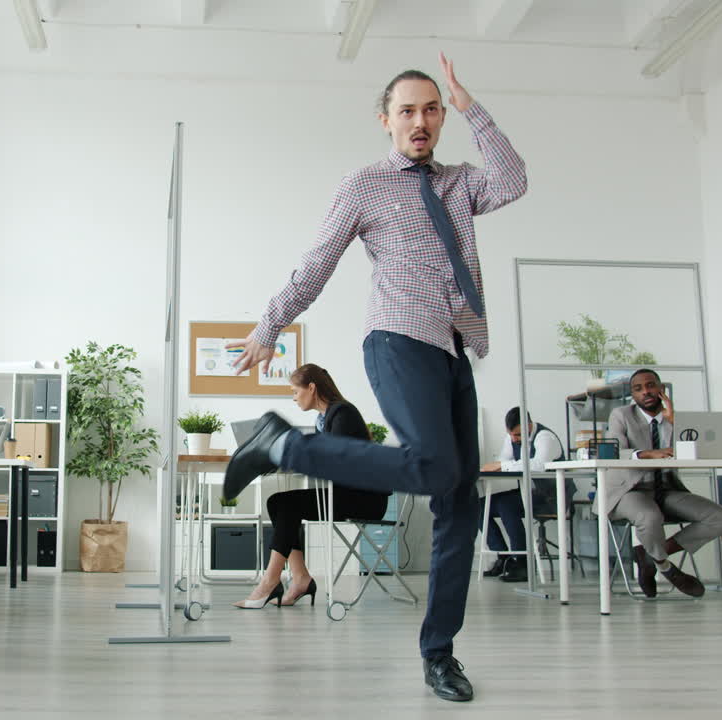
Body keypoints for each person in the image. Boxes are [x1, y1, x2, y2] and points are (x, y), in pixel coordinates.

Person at [221, 53, 527, 703]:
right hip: (398, 339)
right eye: (407, 111)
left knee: (459, 502)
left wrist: (473, 107)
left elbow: (514, 179)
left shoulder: (461, 183)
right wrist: (269, 325)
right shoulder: (364, 184)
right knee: (435, 467)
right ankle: (285, 445)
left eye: (432, 109)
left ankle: (439, 654)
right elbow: (317, 263)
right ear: (385, 120)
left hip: (455, 349)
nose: (421, 121)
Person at [232, 364, 390, 609]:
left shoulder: (343, 413)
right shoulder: (324, 419)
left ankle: (270, 582)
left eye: (296, 391)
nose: (294, 398)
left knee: (287, 504)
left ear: (312, 388)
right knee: (278, 502)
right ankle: (300, 579)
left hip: (365, 498)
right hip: (346, 493)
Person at [604, 369, 722, 598]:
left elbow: (697, 452)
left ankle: (648, 554)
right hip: (630, 490)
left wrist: (674, 422)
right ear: (632, 395)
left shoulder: (674, 418)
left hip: (666, 489)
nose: (646, 392)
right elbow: (614, 451)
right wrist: (647, 454)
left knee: (720, 517)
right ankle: (665, 567)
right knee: (649, 517)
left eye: (650, 385)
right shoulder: (621, 415)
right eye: (638, 389)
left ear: (661, 389)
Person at [478, 407, 565, 583]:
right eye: (511, 435)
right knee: (477, 506)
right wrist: (500, 465)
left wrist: (502, 466)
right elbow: (503, 460)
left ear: (529, 426)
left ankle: (523, 564)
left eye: (517, 435)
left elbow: (539, 465)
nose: (514, 439)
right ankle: (505, 559)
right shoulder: (512, 438)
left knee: (506, 505)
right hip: (527, 493)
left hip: (551, 497)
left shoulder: (545, 437)